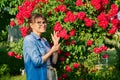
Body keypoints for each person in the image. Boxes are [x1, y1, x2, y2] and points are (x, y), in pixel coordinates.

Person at [23, 13, 60, 80]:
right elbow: (37, 62)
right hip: (38, 77)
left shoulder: (44, 41)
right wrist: (51, 51)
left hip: (50, 75)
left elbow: (53, 63)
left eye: (44, 22)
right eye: (39, 22)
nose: (43, 25)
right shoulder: (29, 39)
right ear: (31, 25)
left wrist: (55, 48)